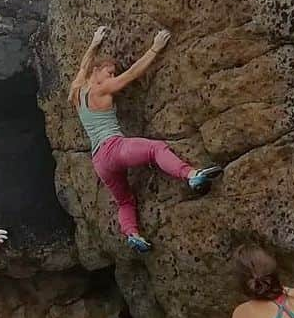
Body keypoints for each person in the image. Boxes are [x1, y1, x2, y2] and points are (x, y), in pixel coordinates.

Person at [69, 25, 223, 253]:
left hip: (99, 162)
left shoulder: (77, 90)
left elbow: (83, 65)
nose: (111, 76)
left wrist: (94, 42)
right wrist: (155, 48)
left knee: (125, 201)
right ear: (97, 70)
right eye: (108, 71)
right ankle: (191, 175)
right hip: (115, 148)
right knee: (156, 149)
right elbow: (131, 74)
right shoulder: (102, 90)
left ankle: (132, 234)